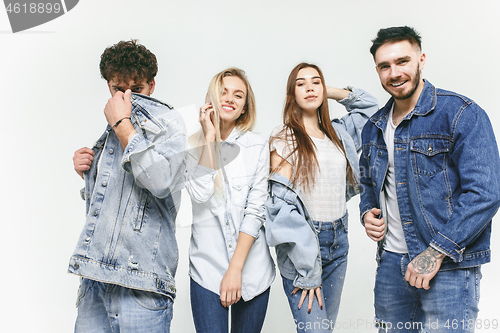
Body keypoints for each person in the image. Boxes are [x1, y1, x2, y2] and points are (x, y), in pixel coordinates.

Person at [360, 26, 500, 333]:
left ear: (421, 59)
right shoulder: (374, 127)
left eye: (402, 61)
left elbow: (485, 193)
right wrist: (367, 212)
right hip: (390, 267)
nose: (394, 73)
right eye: (385, 66)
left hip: (448, 268)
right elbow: (368, 183)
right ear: (377, 70)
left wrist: (435, 252)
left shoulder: (461, 113)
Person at [68, 40, 186, 333]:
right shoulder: (112, 129)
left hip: (142, 283)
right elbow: (117, 201)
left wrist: (121, 123)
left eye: (137, 89)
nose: (126, 98)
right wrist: (89, 172)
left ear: (152, 85)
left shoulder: (171, 124)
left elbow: (159, 183)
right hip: (95, 278)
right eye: (117, 90)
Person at [266, 62, 378, 332]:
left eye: (315, 82)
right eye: (301, 84)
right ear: (291, 94)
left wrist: (326, 91)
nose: (309, 88)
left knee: (325, 328)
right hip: (303, 243)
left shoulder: (339, 133)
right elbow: (280, 208)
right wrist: (308, 268)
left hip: (339, 241)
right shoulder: (284, 138)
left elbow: (370, 108)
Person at [184, 68, 275, 333]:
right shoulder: (190, 145)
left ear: (245, 107)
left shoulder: (256, 146)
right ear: (211, 97)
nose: (230, 99)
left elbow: (256, 212)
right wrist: (210, 139)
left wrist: (235, 270)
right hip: (206, 269)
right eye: (223, 92)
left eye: (238, 95)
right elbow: (200, 193)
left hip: (252, 269)